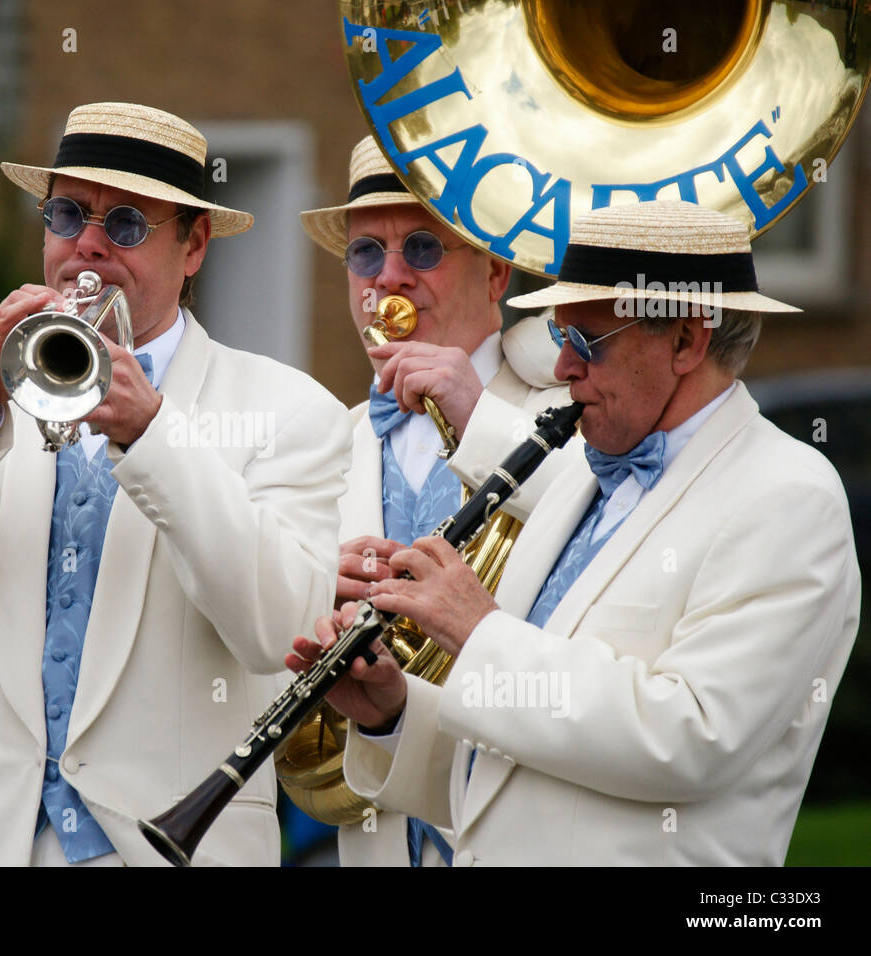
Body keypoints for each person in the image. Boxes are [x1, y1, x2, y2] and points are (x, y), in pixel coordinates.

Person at [0, 102, 353, 866]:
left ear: (193, 247)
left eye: (126, 224)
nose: (87, 245)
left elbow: (276, 631)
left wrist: (151, 435)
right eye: (66, 214)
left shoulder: (288, 411)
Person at [291, 199, 861, 866]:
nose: (562, 371)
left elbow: (692, 738)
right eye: (562, 339)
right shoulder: (578, 478)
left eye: (585, 343)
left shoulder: (787, 494)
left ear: (685, 340)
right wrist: (390, 710)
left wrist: (477, 632)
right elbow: (500, 770)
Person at [295, 135, 572, 866]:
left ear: (496, 270)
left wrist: (478, 415)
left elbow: (611, 519)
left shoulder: (569, 406)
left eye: (423, 247)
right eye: (365, 254)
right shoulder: (330, 441)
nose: (388, 277)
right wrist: (315, 588)